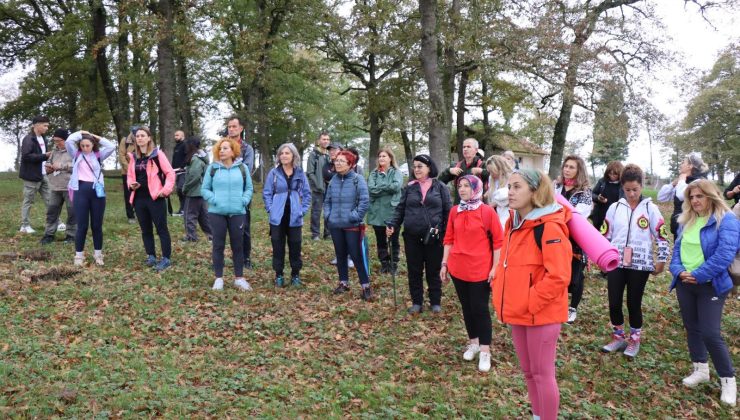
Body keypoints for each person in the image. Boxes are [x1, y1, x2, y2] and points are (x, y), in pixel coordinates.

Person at [491, 168, 572, 420]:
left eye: (517, 187)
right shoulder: (513, 223)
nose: (510, 192)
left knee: (542, 374)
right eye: (509, 186)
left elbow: (559, 276)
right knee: (528, 373)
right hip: (519, 312)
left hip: (541, 314)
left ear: (534, 191)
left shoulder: (549, 227)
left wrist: (531, 301)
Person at [669, 179, 738, 407]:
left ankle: (728, 380)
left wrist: (698, 274)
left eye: (699, 196)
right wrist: (679, 272)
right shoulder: (686, 219)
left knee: (710, 333)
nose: (695, 201)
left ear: (711, 195)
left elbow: (724, 254)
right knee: (692, 328)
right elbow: (677, 250)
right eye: (691, 197)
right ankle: (700, 369)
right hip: (685, 283)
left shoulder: (726, 220)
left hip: (711, 284)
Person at [601, 164, 669, 358]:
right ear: (622, 187)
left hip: (640, 265)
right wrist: (600, 256)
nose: (631, 194)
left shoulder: (650, 208)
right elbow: (605, 234)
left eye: (635, 190)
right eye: (627, 190)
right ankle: (618, 336)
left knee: (633, 302)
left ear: (641, 186)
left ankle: (634, 340)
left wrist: (661, 260)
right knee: (614, 301)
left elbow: (662, 236)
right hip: (616, 263)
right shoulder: (615, 208)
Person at [441, 175, 503, 373]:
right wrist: (444, 264)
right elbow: (449, 238)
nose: (462, 189)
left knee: (480, 309)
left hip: (480, 269)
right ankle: (473, 343)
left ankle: (485, 350)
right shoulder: (454, 211)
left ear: (476, 188)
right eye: (460, 186)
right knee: (467, 307)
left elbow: (498, 242)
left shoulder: (486, 212)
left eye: (467, 185)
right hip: (458, 268)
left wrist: (495, 267)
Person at [387, 154, 452, 313]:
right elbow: (400, 209)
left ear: (429, 168)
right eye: (414, 166)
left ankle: (435, 301)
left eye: (420, 166)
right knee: (414, 270)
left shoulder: (441, 187)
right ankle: (417, 302)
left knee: (433, 270)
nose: (416, 169)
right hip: (412, 236)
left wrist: (447, 234)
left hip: (434, 237)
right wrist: (392, 224)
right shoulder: (409, 187)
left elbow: (448, 212)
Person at [201, 137, 253, 291]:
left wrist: (243, 200)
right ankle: (218, 279)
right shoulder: (213, 168)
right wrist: (214, 200)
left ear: (233, 151)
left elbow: (249, 188)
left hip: (238, 213)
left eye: (225, 148)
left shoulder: (242, 168)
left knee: (238, 246)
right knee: (218, 245)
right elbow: (204, 189)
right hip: (217, 213)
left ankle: (239, 278)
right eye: (220, 148)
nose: (222, 151)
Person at [324, 150, 373, 301]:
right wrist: (328, 216)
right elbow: (327, 201)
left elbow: (364, 202)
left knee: (357, 255)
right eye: (336, 161)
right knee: (340, 255)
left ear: (350, 164)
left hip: (352, 225)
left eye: (341, 161)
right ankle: (343, 283)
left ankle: (365, 286)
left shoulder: (358, 180)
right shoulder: (333, 181)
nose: (337, 164)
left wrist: (355, 216)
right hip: (335, 224)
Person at [127, 126, 176, 272]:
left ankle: (166, 258)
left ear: (149, 138)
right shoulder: (133, 157)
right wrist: (131, 185)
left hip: (155, 198)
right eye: (138, 136)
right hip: (139, 199)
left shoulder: (157, 154)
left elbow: (170, 173)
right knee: (145, 230)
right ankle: (151, 256)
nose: (140, 138)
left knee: (161, 229)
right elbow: (130, 176)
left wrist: (165, 191)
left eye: (143, 135)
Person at [263, 143, 312, 287]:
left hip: (295, 216)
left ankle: (295, 274)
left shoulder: (300, 173)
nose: (284, 155)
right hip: (277, 217)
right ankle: (278, 274)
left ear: (293, 156)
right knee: (278, 245)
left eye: (287, 153)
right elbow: (267, 193)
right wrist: (270, 209)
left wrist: (302, 211)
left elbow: (307, 194)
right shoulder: (274, 173)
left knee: (295, 245)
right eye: (281, 153)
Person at [65, 130, 116, 266]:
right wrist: (80, 133)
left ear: (93, 145)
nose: (85, 148)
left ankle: (98, 254)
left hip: (97, 193)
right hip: (80, 191)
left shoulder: (99, 155)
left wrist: (96, 137)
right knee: (81, 225)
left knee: (96, 225)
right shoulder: (76, 154)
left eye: (88, 145)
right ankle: (79, 255)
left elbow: (111, 146)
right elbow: (69, 141)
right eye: (82, 145)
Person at [553, 155, 592, 324]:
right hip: (555, 235)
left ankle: (572, 307)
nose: (567, 170)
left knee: (575, 276)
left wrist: (560, 212)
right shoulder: (556, 187)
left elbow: (580, 213)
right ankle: (557, 304)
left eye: (572, 167)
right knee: (556, 271)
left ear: (579, 171)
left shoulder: (584, 192)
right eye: (566, 166)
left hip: (575, 238)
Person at [367, 147, 403, 274]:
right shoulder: (374, 173)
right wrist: (386, 187)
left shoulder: (396, 173)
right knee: (380, 240)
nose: (381, 158)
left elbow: (396, 186)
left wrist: (380, 187)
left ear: (390, 158)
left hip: (392, 212)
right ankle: (384, 263)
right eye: (380, 156)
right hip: (377, 212)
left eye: (384, 156)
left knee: (394, 239)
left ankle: (394, 264)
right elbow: (371, 189)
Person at [225, 116, 255, 268]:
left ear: (241, 129)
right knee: (222, 227)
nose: (231, 129)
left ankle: (246, 258)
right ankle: (223, 257)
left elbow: (247, 170)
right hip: (223, 192)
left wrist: (228, 173)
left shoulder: (247, 149)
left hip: (242, 192)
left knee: (244, 227)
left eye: (234, 126)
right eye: (229, 126)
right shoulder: (221, 146)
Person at [657, 152, 708, 237]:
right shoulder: (682, 182)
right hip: (678, 227)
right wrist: (673, 184)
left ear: (690, 166)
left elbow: (682, 196)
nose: (680, 165)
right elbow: (661, 197)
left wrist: (681, 181)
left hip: (692, 227)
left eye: (683, 162)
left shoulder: (699, 182)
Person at [41, 129, 76, 245]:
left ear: (65, 140)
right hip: (55, 187)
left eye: (58, 141)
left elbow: (78, 166)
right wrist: (48, 168)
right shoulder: (54, 152)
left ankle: (71, 235)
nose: (56, 143)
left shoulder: (74, 151)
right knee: (52, 212)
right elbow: (47, 165)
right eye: (54, 141)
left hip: (70, 188)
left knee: (72, 213)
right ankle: (49, 235)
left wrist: (62, 166)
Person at [19, 115, 52, 233]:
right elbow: (26, 156)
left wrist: (48, 164)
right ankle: (24, 226)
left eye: (47, 126)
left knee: (50, 199)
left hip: (43, 175)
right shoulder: (28, 139)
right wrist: (44, 156)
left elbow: (43, 157)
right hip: (31, 176)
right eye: (45, 125)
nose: (47, 128)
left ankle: (55, 222)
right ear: (36, 125)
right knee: (29, 200)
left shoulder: (44, 138)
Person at [438, 138, 488, 204]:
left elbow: (496, 178)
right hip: (460, 205)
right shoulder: (456, 166)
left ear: (476, 150)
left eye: (468, 147)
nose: (465, 149)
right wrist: (449, 171)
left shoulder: (483, 165)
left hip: (478, 206)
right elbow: (440, 182)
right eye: (464, 147)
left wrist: (482, 171)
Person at [181, 137, 212, 242]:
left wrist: (185, 187)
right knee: (204, 216)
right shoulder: (201, 158)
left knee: (189, 215)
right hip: (202, 192)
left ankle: (191, 236)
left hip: (194, 192)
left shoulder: (195, 159)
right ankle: (211, 235)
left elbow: (194, 175)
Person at [306, 131, 331, 240]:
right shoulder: (314, 154)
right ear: (318, 141)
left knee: (329, 211)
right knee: (316, 211)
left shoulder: (330, 154)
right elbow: (310, 172)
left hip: (330, 188)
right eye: (323, 139)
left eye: (327, 139)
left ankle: (328, 233)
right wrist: (318, 185)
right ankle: (315, 234)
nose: (325, 141)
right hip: (318, 188)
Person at [590, 161, 624, 232]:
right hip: (599, 215)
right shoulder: (602, 181)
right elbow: (592, 194)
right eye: (610, 173)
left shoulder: (623, 185)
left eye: (615, 174)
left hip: (614, 216)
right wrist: (598, 198)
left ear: (620, 174)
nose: (612, 176)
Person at [484, 155, 514, 227]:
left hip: (509, 214)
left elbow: (511, 197)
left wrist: (495, 203)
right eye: (489, 171)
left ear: (499, 168)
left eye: (492, 171)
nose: (491, 174)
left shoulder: (511, 178)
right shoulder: (491, 178)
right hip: (498, 214)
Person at [118, 131, 137, 223]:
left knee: (140, 193)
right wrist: (129, 169)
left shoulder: (144, 140)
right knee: (128, 194)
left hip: (140, 171)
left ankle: (140, 213)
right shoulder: (125, 141)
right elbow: (121, 156)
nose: (137, 137)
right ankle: (131, 216)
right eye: (135, 135)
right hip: (127, 172)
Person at [171, 129, 187, 216]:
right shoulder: (176, 146)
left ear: (182, 136)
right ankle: (182, 210)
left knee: (181, 189)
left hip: (183, 171)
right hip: (176, 171)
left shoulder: (185, 145)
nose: (175, 137)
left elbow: (187, 157)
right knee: (178, 190)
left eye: (177, 135)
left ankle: (185, 209)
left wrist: (183, 166)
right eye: (175, 135)